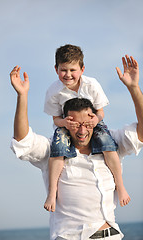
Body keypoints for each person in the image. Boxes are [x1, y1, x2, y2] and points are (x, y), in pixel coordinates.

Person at [10, 55, 143, 240]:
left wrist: (134, 87)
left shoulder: (110, 142)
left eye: (86, 124)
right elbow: (22, 139)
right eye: (74, 124)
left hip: (111, 235)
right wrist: (22, 96)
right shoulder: (53, 149)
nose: (81, 131)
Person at [44, 44, 130, 212]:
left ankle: (120, 185)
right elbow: (55, 118)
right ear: (56, 69)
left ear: (82, 69)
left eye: (72, 70)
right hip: (67, 126)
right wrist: (65, 124)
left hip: (92, 123)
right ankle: (52, 191)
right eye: (63, 70)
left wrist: (95, 120)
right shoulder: (54, 91)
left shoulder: (92, 84)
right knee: (58, 149)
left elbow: (101, 112)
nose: (68, 75)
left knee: (108, 145)